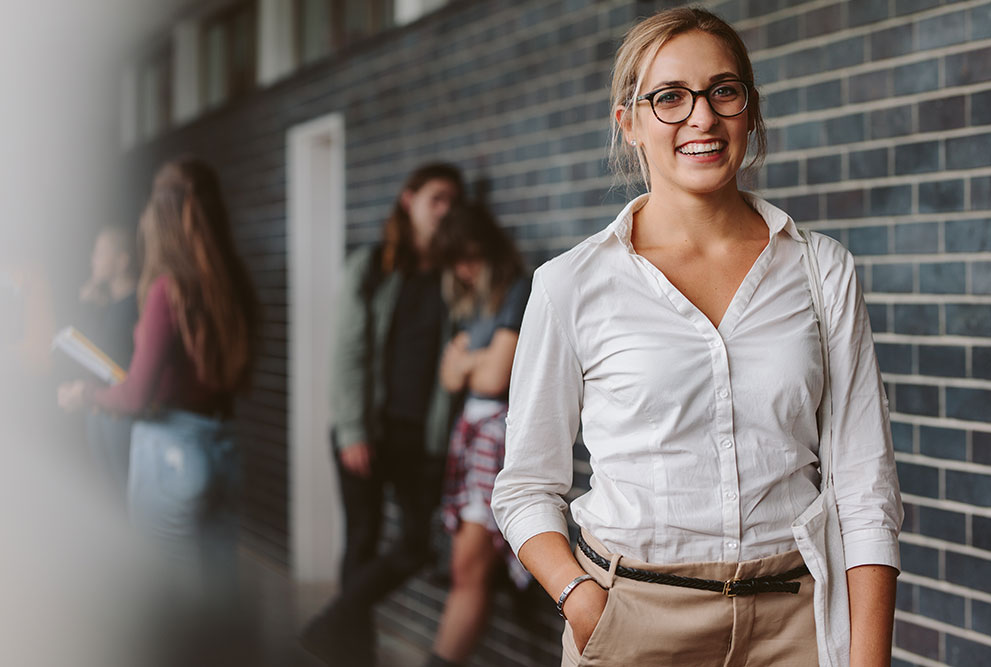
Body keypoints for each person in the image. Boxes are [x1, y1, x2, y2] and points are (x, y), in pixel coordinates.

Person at [491, 8, 902, 667]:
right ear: (629, 123)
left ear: (749, 111)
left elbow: (865, 483)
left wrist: (868, 659)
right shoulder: (570, 284)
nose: (702, 117)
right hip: (633, 622)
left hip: (795, 621)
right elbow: (523, 486)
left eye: (723, 90)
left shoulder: (823, 269)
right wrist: (581, 599)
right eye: (670, 97)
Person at [57, 157, 258, 589]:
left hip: (173, 453)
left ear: (158, 219)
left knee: (169, 608)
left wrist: (86, 395)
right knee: (220, 593)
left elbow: (135, 397)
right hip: (225, 450)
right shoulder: (234, 282)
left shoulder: (168, 289)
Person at [301, 163, 464, 667]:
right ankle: (354, 655)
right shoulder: (371, 266)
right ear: (407, 199)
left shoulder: (452, 273)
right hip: (367, 429)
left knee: (416, 543)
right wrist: (351, 429)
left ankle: (328, 626)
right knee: (363, 539)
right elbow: (347, 353)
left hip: (421, 436)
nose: (445, 211)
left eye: (452, 202)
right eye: (436, 199)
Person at [424, 204, 530, 667]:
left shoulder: (518, 289)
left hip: (497, 440)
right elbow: (449, 376)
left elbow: (491, 378)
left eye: (470, 258)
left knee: (468, 568)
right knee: (466, 566)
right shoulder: (473, 302)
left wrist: (470, 362)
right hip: (470, 437)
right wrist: (473, 364)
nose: (464, 270)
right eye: (456, 262)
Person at [77, 225, 139, 497]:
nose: (94, 259)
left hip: (121, 412)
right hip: (98, 407)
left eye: (101, 253)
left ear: (122, 261)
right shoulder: (105, 303)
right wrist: (89, 304)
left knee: (125, 492)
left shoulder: (138, 303)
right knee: (108, 494)